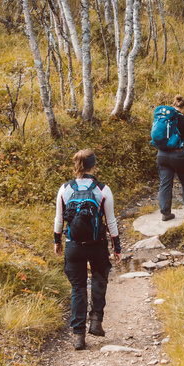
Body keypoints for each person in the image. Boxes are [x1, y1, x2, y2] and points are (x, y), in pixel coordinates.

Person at [53, 149, 122, 350]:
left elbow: (59, 219)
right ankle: (96, 322)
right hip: (97, 244)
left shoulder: (65, 189)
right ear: (93, 166)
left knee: (78, 288)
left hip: (73, 245)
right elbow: (110, 221)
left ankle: (78, 336)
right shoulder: (102, 189)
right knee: (100, 279)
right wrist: (117, 247)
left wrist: (57, 241)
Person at [156, 95, 184, 221]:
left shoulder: (162, 118)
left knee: (165, 184)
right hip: (179, 155)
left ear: (173, 104)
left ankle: (165, 213)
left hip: (162, 155)